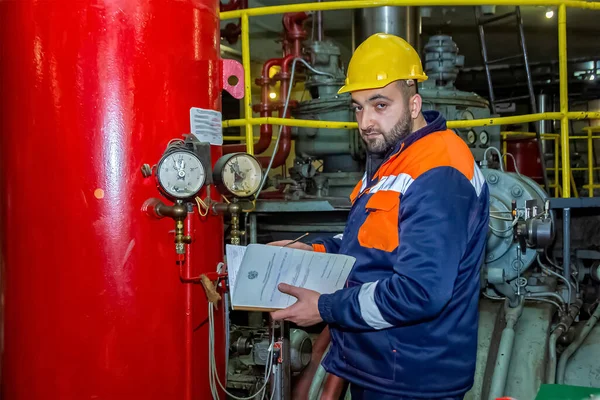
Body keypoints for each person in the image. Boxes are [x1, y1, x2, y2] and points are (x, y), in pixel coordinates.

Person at [269, 33, 490, 400]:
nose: (366, 121)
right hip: (380, 366)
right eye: (357, 107)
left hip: (412, 377)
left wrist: (324, 308)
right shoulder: (393, 161)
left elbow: (419, 293)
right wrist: (312, 250)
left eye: (380, 104)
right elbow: (369, 242)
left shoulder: (439, 172)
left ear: (414, 103)